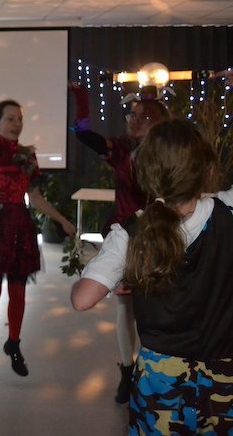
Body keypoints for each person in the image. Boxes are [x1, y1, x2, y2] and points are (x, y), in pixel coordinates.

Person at [71, 118, 233, 436]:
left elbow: (82, 300)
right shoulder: (228, 211)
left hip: (160, 380)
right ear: (208, 171)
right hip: (225, 377)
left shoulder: (129, 233)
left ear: (143, 174)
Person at [0, 100, 75, 381]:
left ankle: (13, 343)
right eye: (10, 118)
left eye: (19, 119)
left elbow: (34, 197)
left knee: (18, 291)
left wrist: (62, 220)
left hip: (19, 225)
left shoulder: (26, 155)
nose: (16, 124)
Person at [69, 83, 168, 403]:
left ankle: (154, 371)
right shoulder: (121, 151)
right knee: (126, 308)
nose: (135, 121)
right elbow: (83, 133)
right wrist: (81, 97)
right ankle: (127, 371)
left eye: (144, 117)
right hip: (129, 240)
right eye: (132, 115)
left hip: (163, 240)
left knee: (158, 308)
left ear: (160, 122)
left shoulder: (170, 154)